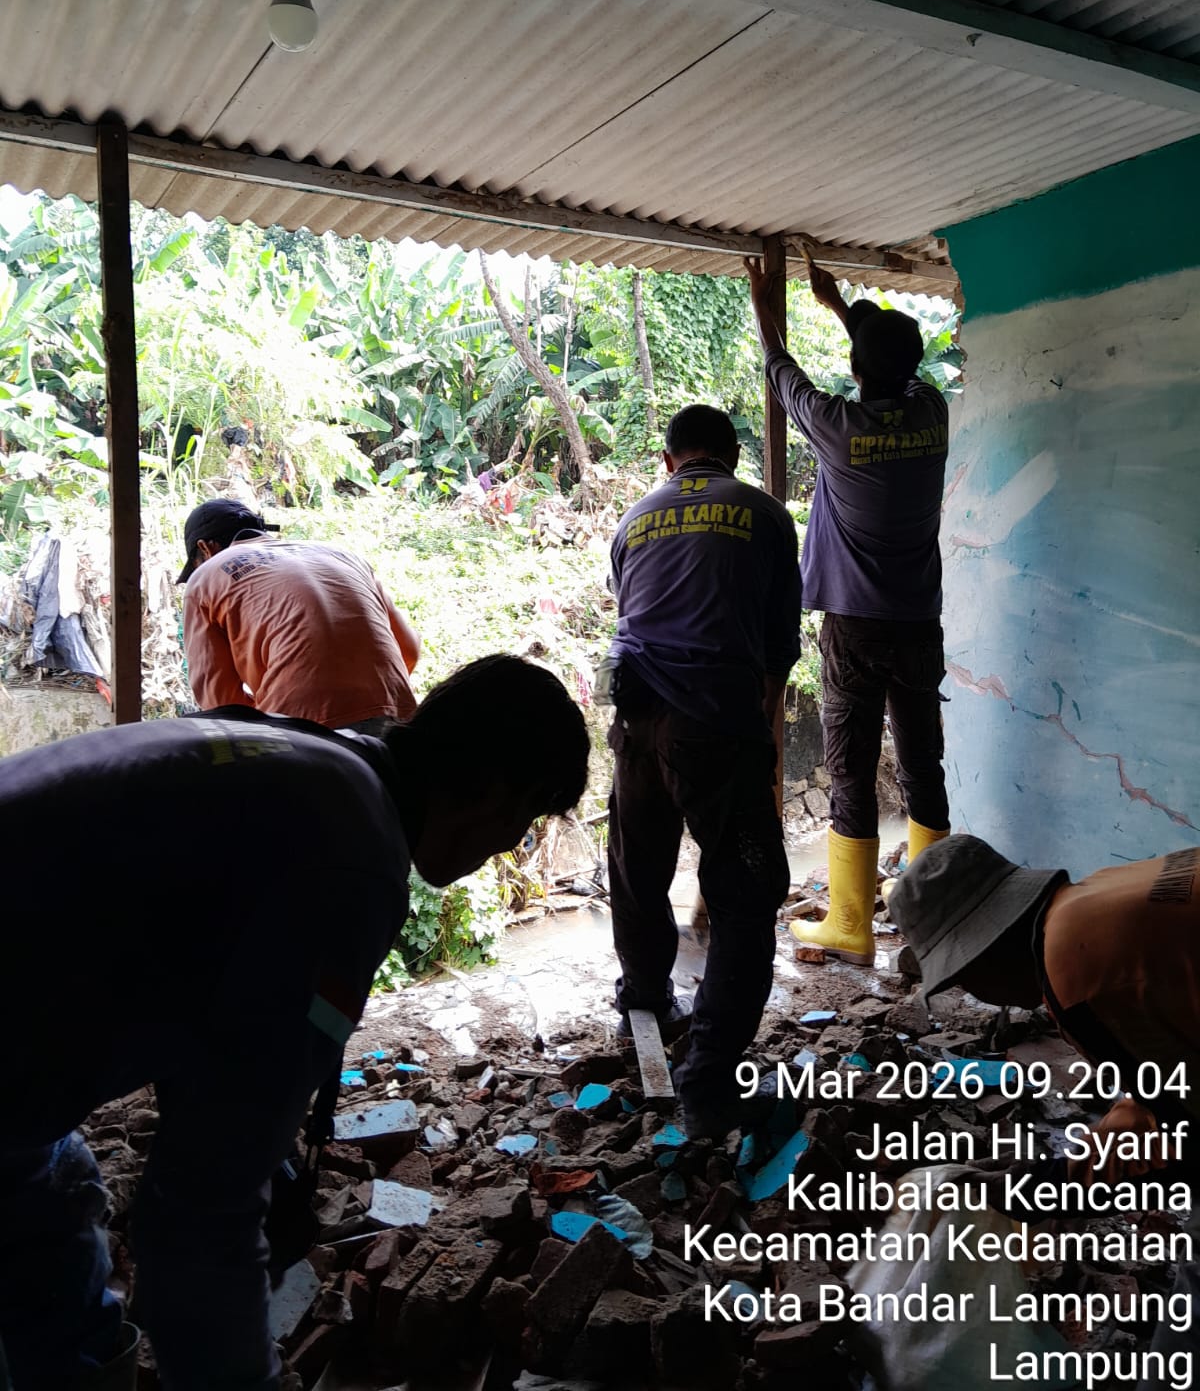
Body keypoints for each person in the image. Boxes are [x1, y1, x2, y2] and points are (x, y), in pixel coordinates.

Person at [0, 655, 589, 1391]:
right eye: (525, 822)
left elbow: (216, 1022)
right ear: (499, 793)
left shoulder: (302, 756)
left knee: (46, 1189)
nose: (510, 847)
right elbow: (198, 1221)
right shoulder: (348, 858)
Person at [888, 834, 1200, 1386]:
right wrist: (1121, 1121)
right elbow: (1172, 1057)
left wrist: (1055, 1182)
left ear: (986, 953)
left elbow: (1184, 1132)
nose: (978, 995)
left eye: (964, 977)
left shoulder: (1077, 975)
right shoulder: (1093, 901)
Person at [603, 404, 803, 1140]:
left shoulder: (633, 519)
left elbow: (634, 613)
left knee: (636, 868)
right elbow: (780, 644)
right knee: (748, 894)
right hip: (716, 721)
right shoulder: (764, 514)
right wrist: (760, 736)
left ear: (668, 461)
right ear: (732, 457)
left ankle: (644, 999)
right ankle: (711, 1074)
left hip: (636, 718)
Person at [745, 254, 951, 964]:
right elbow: (893, 359)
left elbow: (782, 373)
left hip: (856, 628)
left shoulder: (836, 426)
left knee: (852, 772)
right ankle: (933, 925)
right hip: (920, 622)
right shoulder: (933, 412)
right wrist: (839, 306)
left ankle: (853, 925)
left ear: (857, 371)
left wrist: (767, 305)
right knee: (924, 767)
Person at [179, 498, 422, 733]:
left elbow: (220, 703)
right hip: (397, 718)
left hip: (301, 730)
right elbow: (409, 650)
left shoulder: (205, 577)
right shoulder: (343, 555)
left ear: (205, 548)